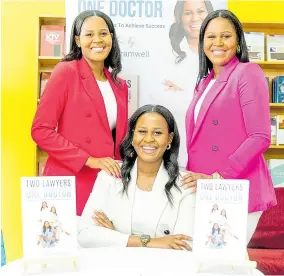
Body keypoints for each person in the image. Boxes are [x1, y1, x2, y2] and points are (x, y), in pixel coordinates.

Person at [181, 9, 277, 244]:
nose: (218, 43)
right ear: (202, 42)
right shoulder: (204, 83)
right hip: (205, 188)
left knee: (225, 264)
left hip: (233, 187)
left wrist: (219, 178)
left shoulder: (248, 73)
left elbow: (260, 136)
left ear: (238, 41)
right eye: (211, 37)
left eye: (226, 36)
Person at [31, 10, 129, 215]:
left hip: (105, 183)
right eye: (89, 34)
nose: (97, 40)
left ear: (112, 37)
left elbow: (116, 141)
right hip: (70, 179)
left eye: (103, 33)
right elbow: (40, 130)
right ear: (77, 40)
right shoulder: (66, 71)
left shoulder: (120, 85)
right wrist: (89, 159)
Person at [78, 105, 195, 250]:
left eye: (157, 133)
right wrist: (149, 241)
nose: (149, 139)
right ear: (132, 136)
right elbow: (85, 234)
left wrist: (115, 235)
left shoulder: (186, 183)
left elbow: (184, 244)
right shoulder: (110, 176)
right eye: (142, 131)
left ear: (169, 138)